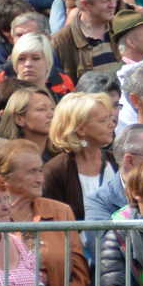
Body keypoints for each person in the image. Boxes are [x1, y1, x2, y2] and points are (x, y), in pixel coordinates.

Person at [39, 91, 117, 219]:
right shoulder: (55, 171)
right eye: (103, 120)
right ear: (80, 129)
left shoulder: (117, 161)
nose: (112, 125)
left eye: (110, 118)